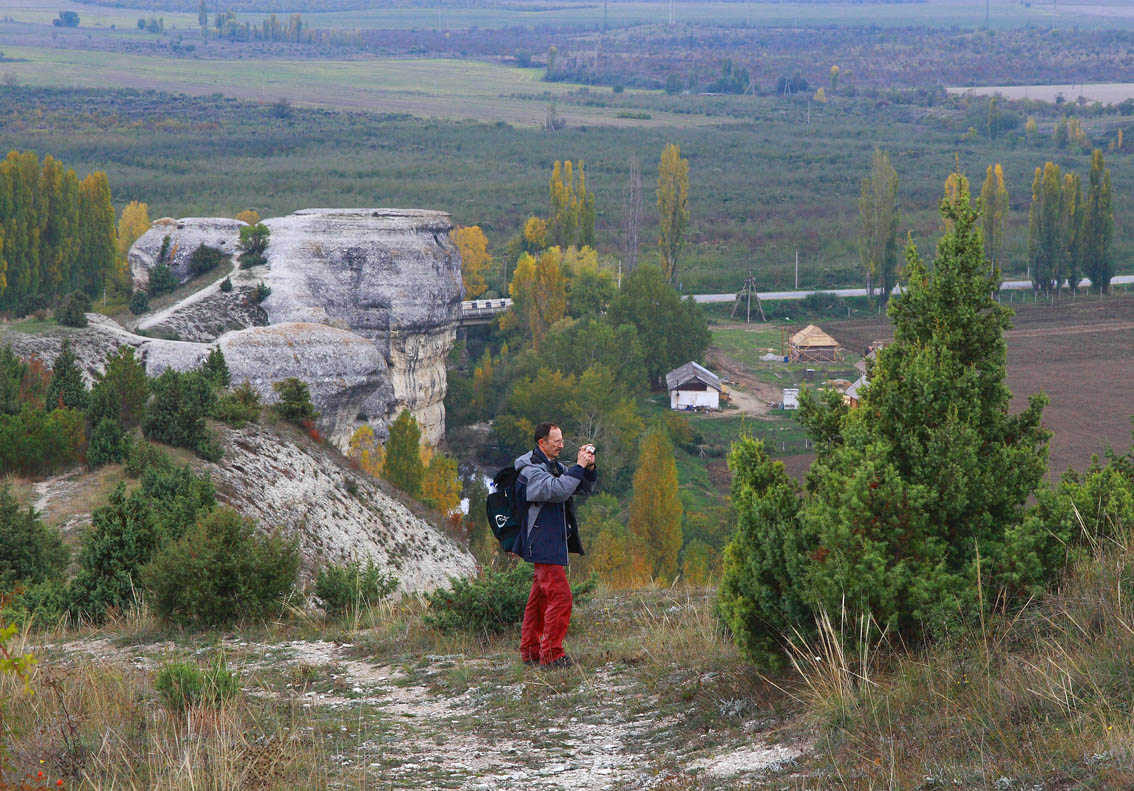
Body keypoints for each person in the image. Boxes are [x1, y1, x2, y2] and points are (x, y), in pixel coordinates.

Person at [510, 422, 596, 669]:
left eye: (562, 439)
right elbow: (558, 490)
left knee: (538, 601)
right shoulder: (531, 471)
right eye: (556, 441)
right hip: (542, 542)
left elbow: (578, 487)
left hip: (549, 541)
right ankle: (552, 655)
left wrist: (588, 468)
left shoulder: (552, 466)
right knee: (561, 597)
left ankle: (531, 652)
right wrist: (578, 466)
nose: (561, 444)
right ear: (542, 443)